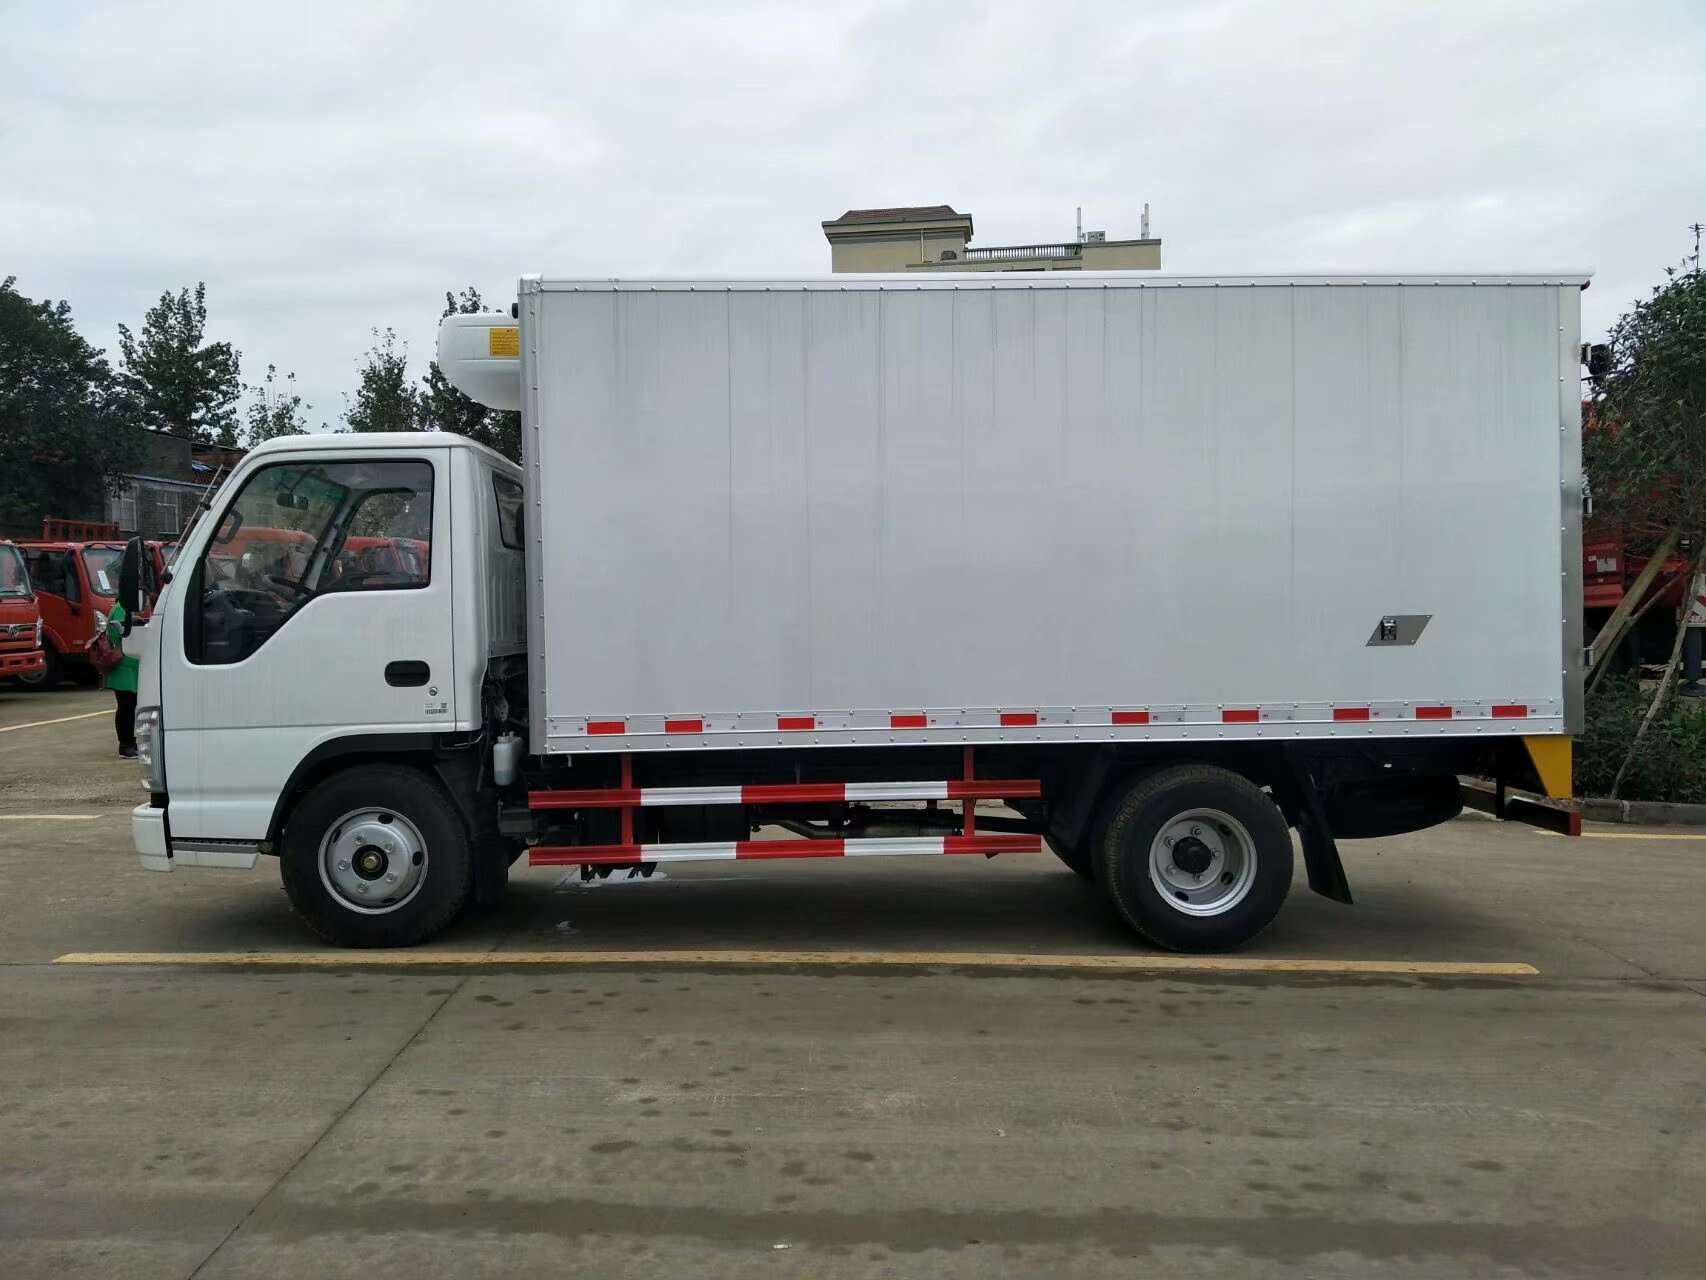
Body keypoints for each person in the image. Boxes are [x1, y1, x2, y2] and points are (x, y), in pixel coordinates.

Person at [104, 600, 140, 758]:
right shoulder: (122, 609)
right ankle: (126, 745)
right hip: (124, 666)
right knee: (126, 707)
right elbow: (124, 633)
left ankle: (129, 742)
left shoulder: (120, 608)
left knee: (127, 706)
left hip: (126, 666)